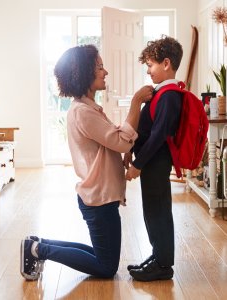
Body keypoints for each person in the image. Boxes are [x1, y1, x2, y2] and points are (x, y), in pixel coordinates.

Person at [20, 44, 153, 281]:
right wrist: (136, 103)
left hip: (99, 196)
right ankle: (39, 250)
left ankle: (37, 244)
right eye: (100, 67)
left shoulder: (88, 108)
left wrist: (122, 149)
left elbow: (112, 141)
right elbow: (121, 141)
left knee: (102, 256)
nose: (106, 72)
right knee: (106, 267)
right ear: (84, 73)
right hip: (99, 199)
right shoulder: (83, 112)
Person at [124, 35, 183, 281]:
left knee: (158, 211)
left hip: (156, 164)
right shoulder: (162, 92)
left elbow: (159, 135)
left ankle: (163, 264)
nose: (148, 71)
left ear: (166, 63)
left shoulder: (169, 95)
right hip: (152, 164)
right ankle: (158, 256)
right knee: (152, 210)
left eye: (150, 65)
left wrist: (138, 164)